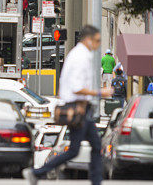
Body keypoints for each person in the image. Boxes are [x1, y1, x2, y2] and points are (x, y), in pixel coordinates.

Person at [24, 25, 112, 185]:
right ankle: (37, 172)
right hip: (77, 108)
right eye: (97, 40)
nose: (99, 44)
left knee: (96, 144)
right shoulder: (81, 56)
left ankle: (96, 180)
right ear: (88, 39)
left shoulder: (77, 54)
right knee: (75, 149)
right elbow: (77, 88)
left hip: (81, 107)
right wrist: (101, 92)